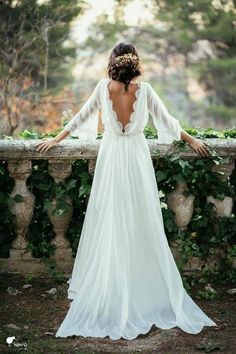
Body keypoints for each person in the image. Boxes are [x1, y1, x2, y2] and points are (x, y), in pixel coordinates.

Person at [35, 42, 217, 340]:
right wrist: (191, 140)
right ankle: (138, 283)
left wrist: (57, 139)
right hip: (136, 158)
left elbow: (81, 116)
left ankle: (114, 283)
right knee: (139, 218)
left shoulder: (102, 87)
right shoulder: (144, 90)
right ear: (135, 63)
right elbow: (167, 121)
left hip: (112, 157)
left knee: (110, 217)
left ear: (112, 62)